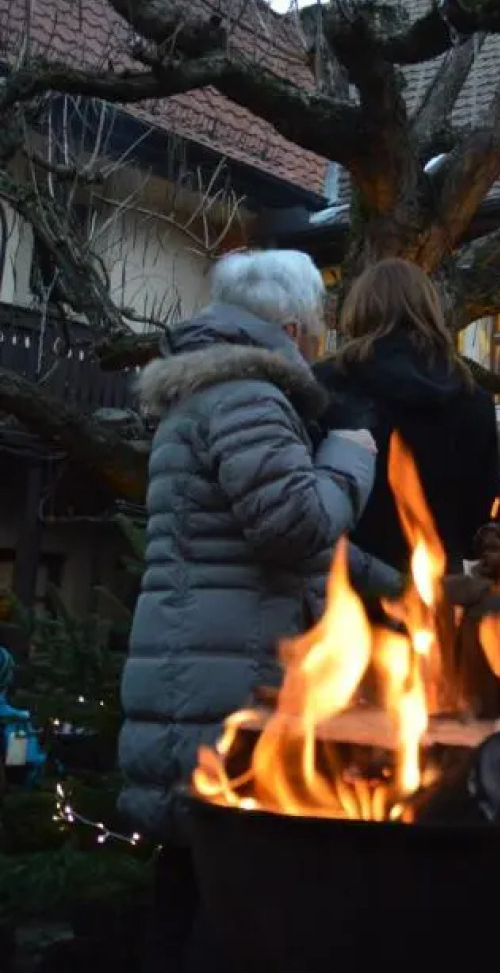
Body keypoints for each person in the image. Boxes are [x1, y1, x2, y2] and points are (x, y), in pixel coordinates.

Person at [120, 249, 391, 973]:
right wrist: (350, 455)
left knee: (191, 888)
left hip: (196, 678)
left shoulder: (205, 394)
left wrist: (404, 587)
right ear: (295, 329)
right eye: (321, 324)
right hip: (233, 689)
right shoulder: (248, 396)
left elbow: (284, 544)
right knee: (239, 909)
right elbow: (296, 527)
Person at [315, 258, 500, 573]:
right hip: (437, 584)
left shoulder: (325, 385)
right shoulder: (472, 397)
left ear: (358, 310)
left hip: (344, 582)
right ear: (430, 310)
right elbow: (484, 521)